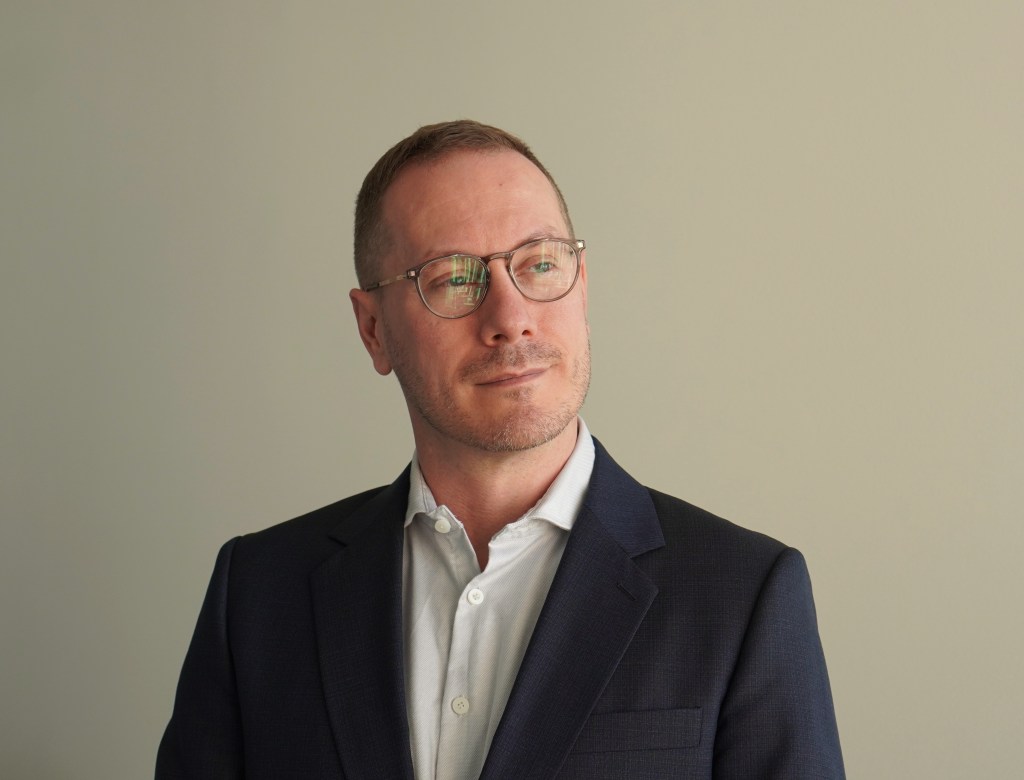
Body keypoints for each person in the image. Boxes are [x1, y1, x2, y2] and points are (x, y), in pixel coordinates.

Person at [157, 120, 845, 779]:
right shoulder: (258, 597)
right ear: (373, 330)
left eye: (539, 264)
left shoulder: (744, 596)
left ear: (582, 286)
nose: (511, 319)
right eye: (454, 277)